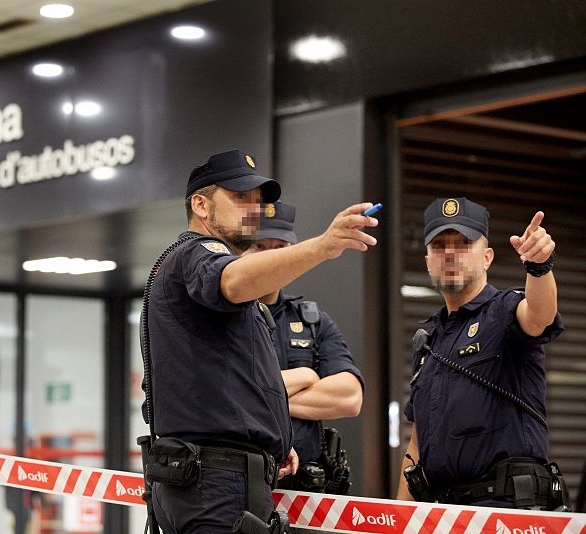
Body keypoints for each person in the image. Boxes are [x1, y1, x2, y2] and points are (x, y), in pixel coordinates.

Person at [143, 149, 379, 533]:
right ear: (201, 205)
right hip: (214, 483)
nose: (253, 209)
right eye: (239, 198)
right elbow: (232, 279)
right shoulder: (199, 253)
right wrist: (322, 246)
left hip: (216, 479)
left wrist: (270, 436)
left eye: (257, 200)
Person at [397, 197, 566, 509]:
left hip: (507, 513)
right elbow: (416, 447)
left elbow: (540, 315)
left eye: (463, 244)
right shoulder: (429, 343)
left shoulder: (503, 311)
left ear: (487, 257)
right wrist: (398, 520)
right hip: (443, 515)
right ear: (427, 261)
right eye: (438, 246)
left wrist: (539, 267)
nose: (449, 253)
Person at [244, 201, 364, 501]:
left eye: (281, 247)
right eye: (260, 246)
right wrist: (305, 375)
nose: (273, 256)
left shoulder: (311, 320)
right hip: (240, 489)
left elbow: (350, 398)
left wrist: (261, 397)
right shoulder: (224, 318)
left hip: (305, 491)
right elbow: (224, 394)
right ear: (241, 252)